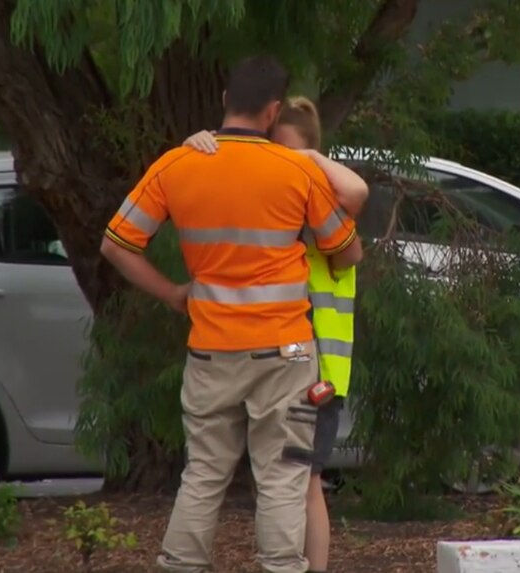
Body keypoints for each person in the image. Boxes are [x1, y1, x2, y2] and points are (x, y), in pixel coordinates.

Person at [100, 55, 363, 573]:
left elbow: (116, 245)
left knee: (202, 475)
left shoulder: (176, 165)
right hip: (285, 355)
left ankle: (180, 565)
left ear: (224, 102)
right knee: (284, 476)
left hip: (211, 351)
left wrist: (174, 293)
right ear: (272, 112)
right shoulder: (294, 170)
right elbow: (348, 251)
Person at [183, 96, 368, 573]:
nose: (274, 164)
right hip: (279, 366)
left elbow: (357, 190)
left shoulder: (325, 220)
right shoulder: (276, 215)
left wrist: (309, 161)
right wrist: (198, 145)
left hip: (318, 374)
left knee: (303, 480)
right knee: (286, 479)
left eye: (285, 153)